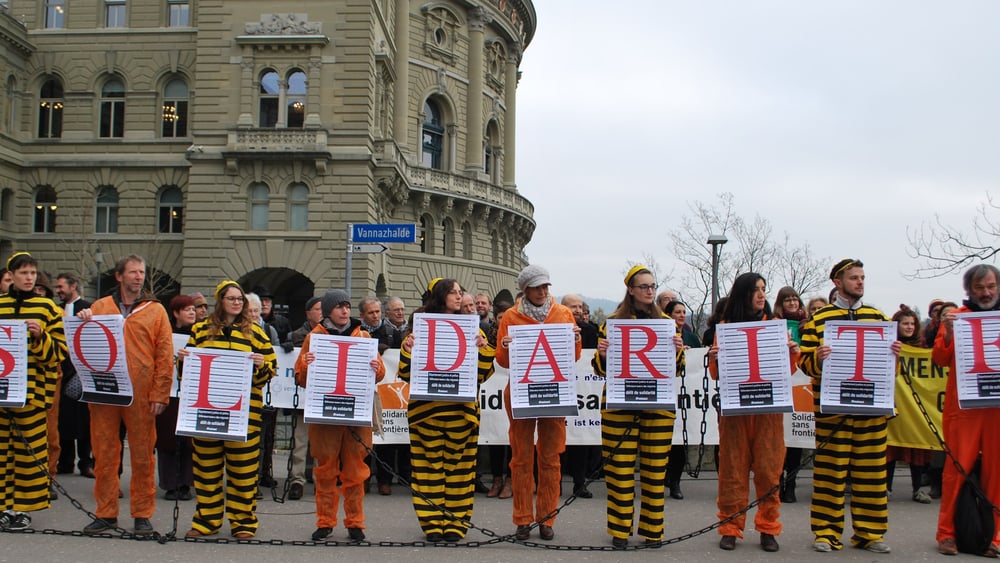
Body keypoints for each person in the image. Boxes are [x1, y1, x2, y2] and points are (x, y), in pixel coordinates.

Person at [799, 258, 901, 554]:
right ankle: (825, 531)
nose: (860, 282)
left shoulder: (878, 317)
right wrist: (817, 358)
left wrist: (895, 355)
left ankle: (870, 532)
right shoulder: (820, 319)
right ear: (838, 282)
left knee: (871, 475)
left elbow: (889, 368)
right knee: (830, 473)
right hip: (832, 411)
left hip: (871, 410)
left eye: (862, 277)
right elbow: (804, 363)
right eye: (854, 277)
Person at [77, 255, 174, 536]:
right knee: (105, 452)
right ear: (119, 276)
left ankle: (142, 513)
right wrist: (83, 319)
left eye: (141, 272)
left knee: (143, 454)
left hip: (142, 394)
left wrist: (160, 393)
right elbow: (83, 342)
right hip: (105, 391)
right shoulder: (99, 307)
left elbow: (164, 355)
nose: (138, 277)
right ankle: (105, 512)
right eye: (132, 272)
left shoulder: (155, 311)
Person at [398, 278, 496, 542]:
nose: (459, 296)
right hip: (425, 413)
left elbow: (485, 374)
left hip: (462, 414)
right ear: (440, 296)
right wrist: (407, 351)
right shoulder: (417, 330)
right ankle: (432, 523)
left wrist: (483, 349)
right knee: (427, 469)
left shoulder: (475, 330)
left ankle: (455, 524)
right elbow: (406, 373)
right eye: (453, 292)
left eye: (460, 292)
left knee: (461, 471)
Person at [708, 273, 799, 552]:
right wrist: (714, 358)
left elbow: (789, 371)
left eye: (763, 290)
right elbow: (716, 374)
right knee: (732, 472)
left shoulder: (774, 326)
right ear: (743, 294)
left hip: (768, 412)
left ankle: (768, 528)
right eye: (755, 290)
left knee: (769, 471)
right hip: (736, 412)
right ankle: (730, 527)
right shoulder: (724, 327)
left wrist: (792, 353)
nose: (761, 295)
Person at [593, 265, 682, 548]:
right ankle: (620, 531)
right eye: (644, 286)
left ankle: (652, 531)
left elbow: (676, 370)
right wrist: (603, 356)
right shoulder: (612, 323)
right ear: (630, 289)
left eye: (653, 286)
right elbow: (599, 369)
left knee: (655, 473)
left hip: (658, 408)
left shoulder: (667, 322)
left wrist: (678, 352)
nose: (649, 291)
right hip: (619, 407)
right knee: (619, 472)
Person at [181, 280, 276, 539]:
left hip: (245, 416)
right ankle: (206, 521)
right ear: (220, 300)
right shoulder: (200, 330)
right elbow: (188, 374)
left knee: (243, 473)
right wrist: (183, 361)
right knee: (207, 471)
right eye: (231, 298)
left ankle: (243, 523)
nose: (236, 302)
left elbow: (270, 370)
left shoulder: (256, 333)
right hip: (207, 415)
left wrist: (260, 365)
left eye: (240, 299)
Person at [495, 265, 582, 541]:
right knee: (521, 458)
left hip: (555, 393)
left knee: (551, 457)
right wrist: (507, 347)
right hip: (521, 393)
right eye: (537, 287)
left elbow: (573, 357)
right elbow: (501, 360)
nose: (543, 291)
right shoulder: (510, 316)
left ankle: (547, 518)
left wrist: (577, 342)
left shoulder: (563, 313)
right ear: (525, 289)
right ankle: (522, 519)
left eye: (546, 286)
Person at [294, 289, 385, 541]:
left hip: (355, 414)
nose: (344, 311)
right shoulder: (314, 338)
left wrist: (377, 368)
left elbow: (379, 374)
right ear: (328, 312)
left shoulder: (364, 336)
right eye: (339, 307)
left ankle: (355, 523)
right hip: (325, 415)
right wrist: (306, 364)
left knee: (356, 470)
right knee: (325, 470)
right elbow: (300, 377)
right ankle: (325, 522)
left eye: (347, 306)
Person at [932, 264, 1000, 557]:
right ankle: (947, 534)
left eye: (991, 286)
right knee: (955, 471)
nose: (985, 293)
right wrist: (946, 333)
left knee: (997, 474)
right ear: (968, 290)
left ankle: (993, 537)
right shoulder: (957, 318)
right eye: (979, 288)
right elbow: (940, 358)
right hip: (964, 408)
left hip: (996, 410)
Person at [0, 252, 66, 531]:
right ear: (11, 276)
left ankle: (24, 508)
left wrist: (41, 337)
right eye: (24, 273)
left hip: (32, 394)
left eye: (33, 273)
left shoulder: (47, 308)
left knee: (30, 455)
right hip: (2, 393)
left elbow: (59, 353)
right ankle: (4, 506)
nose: (29, 278)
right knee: (2, 452)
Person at [885, 305, 935, 504]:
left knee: (918, 447)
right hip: (896, 402)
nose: (909, 327)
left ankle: (917, 489)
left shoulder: (922, 348)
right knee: (890, 447)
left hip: (916, 406)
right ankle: (886, 488)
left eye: (912, 323)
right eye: (905, 323)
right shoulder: (891, 346)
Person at [155, 295, 197, 501]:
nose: (192, 312)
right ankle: (170, 484)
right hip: (169, 392)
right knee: (167, 439)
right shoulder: (165, 333)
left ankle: (185, 483)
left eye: (193, 309)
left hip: (192, 395)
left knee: (189, 441)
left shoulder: (200, 334)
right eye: (187, 309)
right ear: (176, 313)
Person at [561, 294, 599, 499]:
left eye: (579, 306)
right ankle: (554, 482)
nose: (576, 310)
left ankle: (579, 483)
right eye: (572, 306)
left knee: (581, 440)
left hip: (583, 391)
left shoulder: (591, 331)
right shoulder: (553, 328)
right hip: (560, 389)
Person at [55, 273, 93, 479]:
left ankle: (86, 463)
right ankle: (65, 461)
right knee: (64, 419)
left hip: (82, 372)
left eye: (61, 286)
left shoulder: (87, 307)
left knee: (84, 419)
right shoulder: (55, 309)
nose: (58, 290)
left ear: (73, 286)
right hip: (63, 370)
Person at [286, 296, 323, 500]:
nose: (321, 313)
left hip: (321, 398)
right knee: (300, 441)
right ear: (308, 313)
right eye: (317, 309)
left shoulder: (330, 333)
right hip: (302, 398)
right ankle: (296, 480)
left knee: (320, 443)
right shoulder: (297, 335)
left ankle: (320, 481)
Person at [662, 300, 699, 502]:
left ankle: (675, 482)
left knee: (679, 445)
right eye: (677, 311)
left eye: (684, 311)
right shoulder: (662, 334)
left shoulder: (692, 336)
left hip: (686, 398)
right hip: (665, 395)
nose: (682, 315)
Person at [773, 285, 806, 504]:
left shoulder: (807, 326)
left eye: (795, 299)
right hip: (780, 383)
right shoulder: (774, 324)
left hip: (802, 383)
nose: (793, 303)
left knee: (797, 436)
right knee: (778, 438)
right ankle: (776, 482)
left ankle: (791, 483)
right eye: (788, 300)